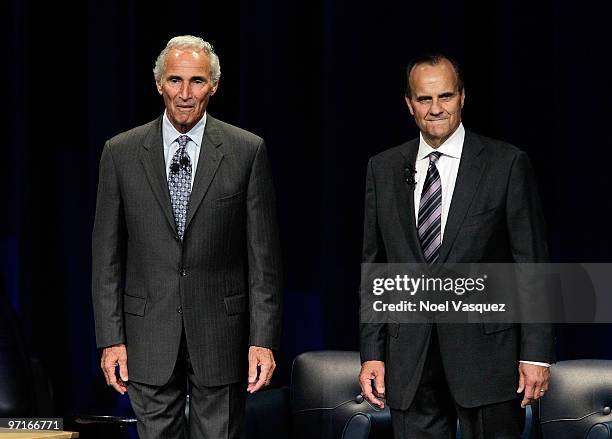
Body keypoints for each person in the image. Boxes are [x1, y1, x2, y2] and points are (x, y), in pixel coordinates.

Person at [92, 35, 282, 439]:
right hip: (147, 336)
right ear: (159, 83)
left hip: (221, 338)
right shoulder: (121, 152)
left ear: (213, 86)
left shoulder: (246, 151)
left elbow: (263, 259)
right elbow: (105, 257)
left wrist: (262, 341)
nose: (184, 93)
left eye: (196, 81)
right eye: (175, 80)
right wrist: (110, 339)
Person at [358, 54, 555, 438]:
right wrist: (373, 352)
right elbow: (375, 269)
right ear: (409, 104)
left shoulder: (506, 164)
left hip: (488, 359)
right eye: (424, 99)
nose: (435, 109)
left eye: (445, 96)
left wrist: (535, 353)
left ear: (462, 98)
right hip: (410, 360)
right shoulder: (382, 168)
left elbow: (532, 266)